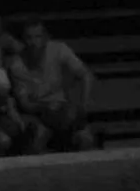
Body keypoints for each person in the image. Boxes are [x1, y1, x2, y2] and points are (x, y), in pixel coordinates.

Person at [9, 19, 96, 152]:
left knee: (85, 138)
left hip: (62, 107)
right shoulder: (17, 64)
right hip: (37, 112)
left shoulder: (59, 49)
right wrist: (44, 107)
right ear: (23, 40)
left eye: (38, 37)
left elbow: (86, 75)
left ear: (45, 38)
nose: (33, 43)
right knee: (38, 137)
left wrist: (84, 104)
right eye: (29, 38)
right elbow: (25, 104)